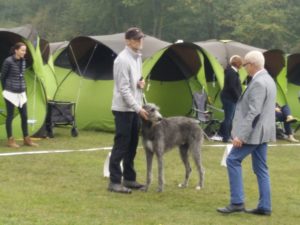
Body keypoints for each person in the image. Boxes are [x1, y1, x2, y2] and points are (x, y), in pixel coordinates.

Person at [217, 51, 276, 216]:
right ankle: (265, 206)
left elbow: (254, 113)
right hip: (263, 133)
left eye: (245, 65)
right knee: (261, 168)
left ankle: (237, 202)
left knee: (232, 160)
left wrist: (241, 135)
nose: (244, 69)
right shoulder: (269, 80)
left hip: (254, 133)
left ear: (251, 64)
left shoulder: (258, 82)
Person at [108, 27, 148, 194]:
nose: (140, 42)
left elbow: (134, 81)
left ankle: (129, 179)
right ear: (128, 41)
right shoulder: (122, 60)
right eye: (136, 39)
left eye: (140, 39)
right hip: (124, 110)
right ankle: (114, 182)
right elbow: (124, 90)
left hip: (134, 108)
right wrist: (139, 109)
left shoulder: (137, 58)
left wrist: (140, 83)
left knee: (132, 145)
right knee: (121, 145)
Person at [0, 42, 38, 148]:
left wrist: (23, 89)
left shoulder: (23, 61)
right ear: (16, 50)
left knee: (24, 116)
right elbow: (3, 77)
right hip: (10, 93)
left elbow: (21, 76)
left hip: (21, 92)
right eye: (22, 50)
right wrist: (5, 91)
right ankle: (10, 140)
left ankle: (26, 139)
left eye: (25, 50)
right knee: (10, 116)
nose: (24, 52)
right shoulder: (8, 61)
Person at [211, 55, 242, 142]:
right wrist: (238, 97)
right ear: (238, 64)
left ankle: (221, 134)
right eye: (241, 63)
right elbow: (232, 87)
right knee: (229, 118)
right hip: (229, 98)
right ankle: (226, 137)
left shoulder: (232, 71)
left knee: (228, 118)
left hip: (230, 98)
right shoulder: (231, 72)